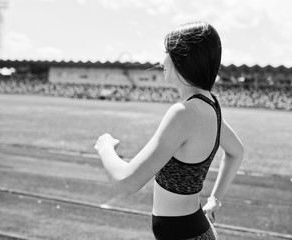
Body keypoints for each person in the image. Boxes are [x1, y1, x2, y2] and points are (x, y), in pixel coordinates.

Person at [94, 21, 244, 240]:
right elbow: (236, 151)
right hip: (194, 230)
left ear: (183, 59)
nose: (161, 60)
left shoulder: (183, 113)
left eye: (167, 53)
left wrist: (105, 147)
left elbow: (126, 182)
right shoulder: (211, 105)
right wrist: (215, 200)